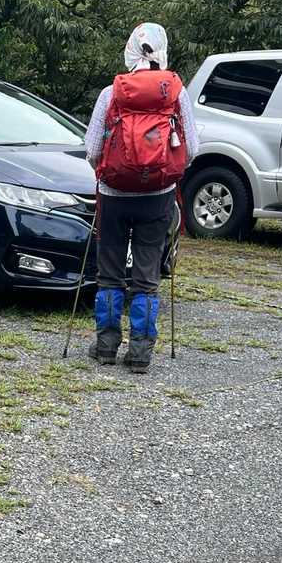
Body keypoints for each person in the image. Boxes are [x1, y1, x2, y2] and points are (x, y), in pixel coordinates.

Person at [84, 23, 199, 374]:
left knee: (109, 274)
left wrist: (109, 171)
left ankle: (106, 346)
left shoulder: (111, 92)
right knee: (147, 277)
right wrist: (165, 172)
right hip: (157, 197)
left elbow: (92, 149)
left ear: (130, 51)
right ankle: (140, 352)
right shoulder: (176, 93)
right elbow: (192, 149)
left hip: (113, 195)